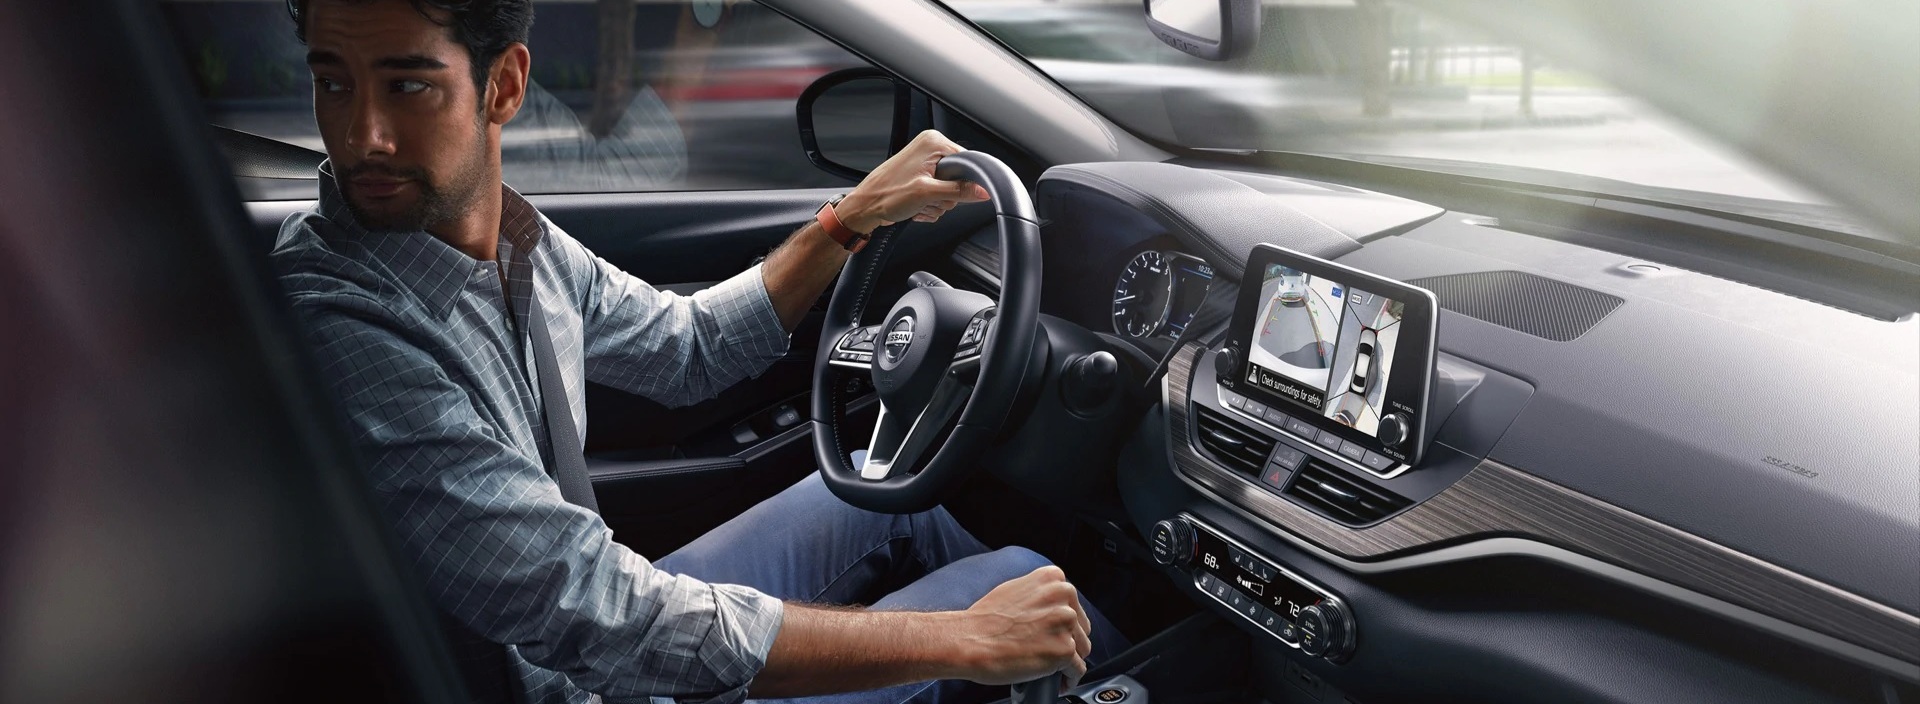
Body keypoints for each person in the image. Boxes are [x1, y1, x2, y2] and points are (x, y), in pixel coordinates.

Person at [269, 1, 1123, 703]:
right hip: (575, 674)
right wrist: (966, 640)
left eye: (407, 86)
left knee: (891, 499)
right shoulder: (341, 321)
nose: (362, 135)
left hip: (593, 651)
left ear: (505, 86)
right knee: (1018, 583)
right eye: (332, 82)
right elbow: (602, 616)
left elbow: (688, 348)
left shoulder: (515, 241)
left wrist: (852, 216)